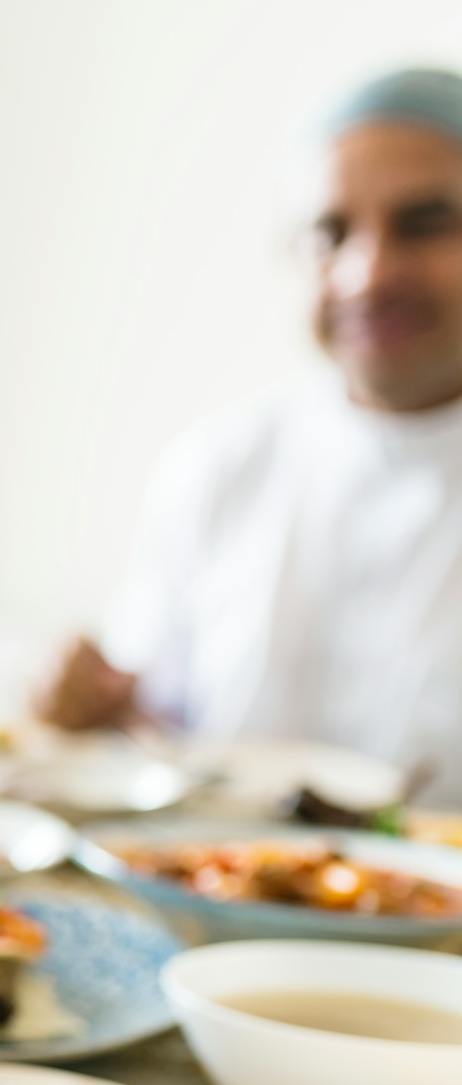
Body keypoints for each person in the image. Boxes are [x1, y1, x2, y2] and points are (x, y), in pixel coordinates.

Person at [36, 68, 462, 803]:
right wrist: (89, 714)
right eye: (330, 233)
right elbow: (157, 734)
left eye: (424, 224)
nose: (368, 274)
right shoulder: (221, 467)